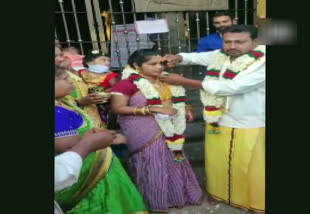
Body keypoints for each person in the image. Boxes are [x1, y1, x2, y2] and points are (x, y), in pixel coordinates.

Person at [161, 25, 265, 213]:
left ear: (255, 42)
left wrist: (184, 82)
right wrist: (179, 57)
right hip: (217, 119)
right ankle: (221, 195)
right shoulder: (222, 55)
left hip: (249, 122)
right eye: (228, 41)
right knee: (217, 162)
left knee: (249, 166)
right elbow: (198, 57)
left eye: (239, 42)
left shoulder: (262, 62)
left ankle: (255, 202)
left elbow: (233, 87)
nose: (232, 46)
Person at [110, 49, 202, 212]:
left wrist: (186, 108)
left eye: (161, 63)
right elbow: (117, 108)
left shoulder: (166, 79)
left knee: (174, 159)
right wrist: (151, 109)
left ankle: (176, 196)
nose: (159, 67)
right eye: (152, 64)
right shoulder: (126, 84)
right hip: (142, 130)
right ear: (136, 65)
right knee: (152, 161)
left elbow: (173, 100)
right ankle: (155, 200)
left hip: (170, 127)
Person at [54, 65, 148, 214]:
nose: (72, 83)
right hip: (87, 169)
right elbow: (67, 146)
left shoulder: (62, 103)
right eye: (65, 79)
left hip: (96, 160)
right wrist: (102, 139)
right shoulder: (56, 111)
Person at [79, 50, 119, 128]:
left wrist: (106, 92)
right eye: (103, 60)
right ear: (89, 62)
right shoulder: (81, 72)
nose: (107, 62)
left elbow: (116, 88)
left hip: (102, 101)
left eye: (108, 61)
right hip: (85, 100)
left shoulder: (110, 75)